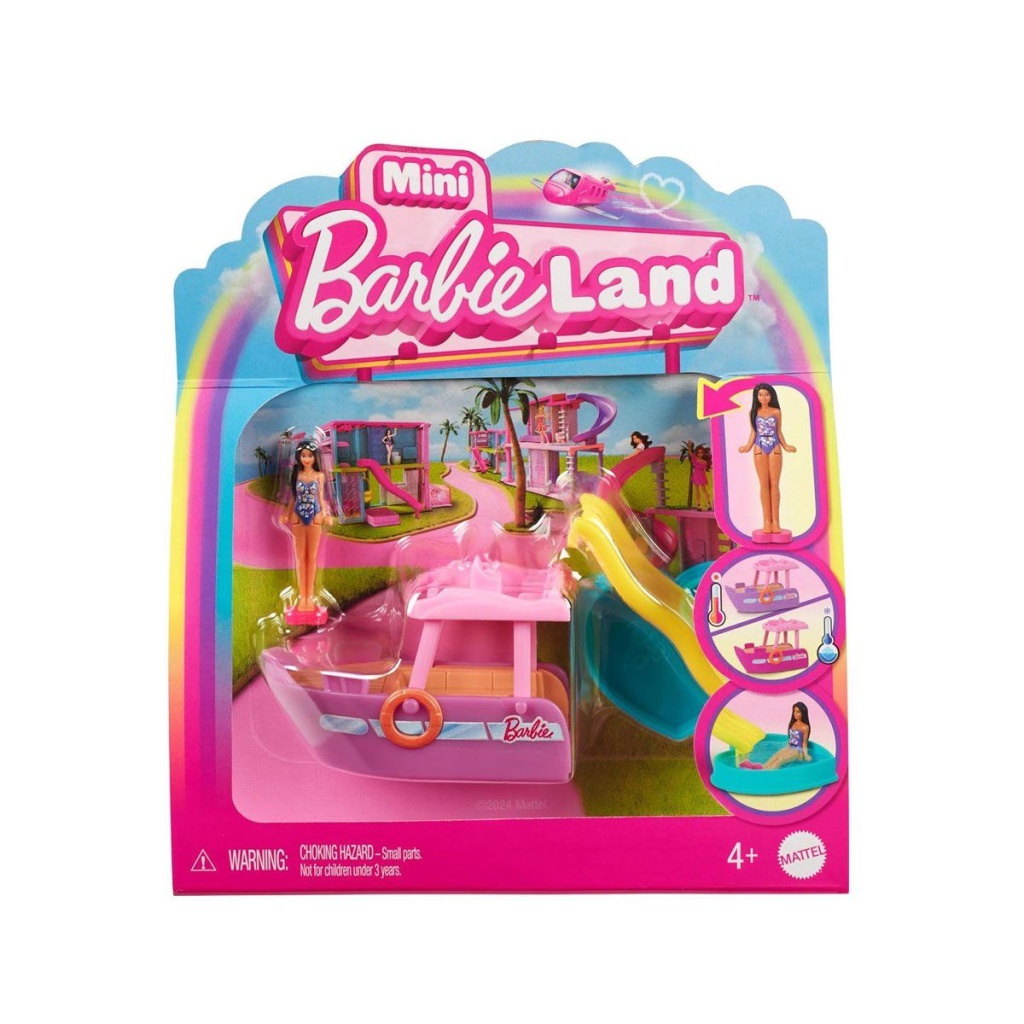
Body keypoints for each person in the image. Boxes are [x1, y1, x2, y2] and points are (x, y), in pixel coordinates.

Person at [279, 440, 333, 612]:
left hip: (315, 516)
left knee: (312, 558)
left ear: (315, 457)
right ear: (299, 457)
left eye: (310, 456)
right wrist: (286, 513)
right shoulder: (296, 475)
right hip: (297, 517)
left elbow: (321, 497)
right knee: (301, 558)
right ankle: (302, 598)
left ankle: (310, 598)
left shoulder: (320, 476)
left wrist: (326, 514)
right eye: (303, 456)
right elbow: (293, 497)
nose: (307, 459)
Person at [737, 382, 796, 535]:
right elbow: (753, 432)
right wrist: (747, 446)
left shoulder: (776, 412)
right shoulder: (753, 412)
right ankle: (766, 522)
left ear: (771, 396)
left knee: (774, 484)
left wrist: (786, 445)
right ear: (756, 397)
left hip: (775, 446)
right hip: (759, 447)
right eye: (761, 395)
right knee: (764, 484)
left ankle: (776, 522)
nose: (764, 397)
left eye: (767, 394)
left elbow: (779, 431)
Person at [741, 702, 812, 769]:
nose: (795, 714)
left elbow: (804, 743)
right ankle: (762, 768)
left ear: (803, 713)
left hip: (797, 751)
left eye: (798, 712)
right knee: (775, 756)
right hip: (789, 747)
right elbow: (791, 739)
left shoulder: (805, 727)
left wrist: (806, 755)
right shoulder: (793, 723)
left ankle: (766, 773)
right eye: (794, 711)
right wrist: (786, 748)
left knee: (781, 759)